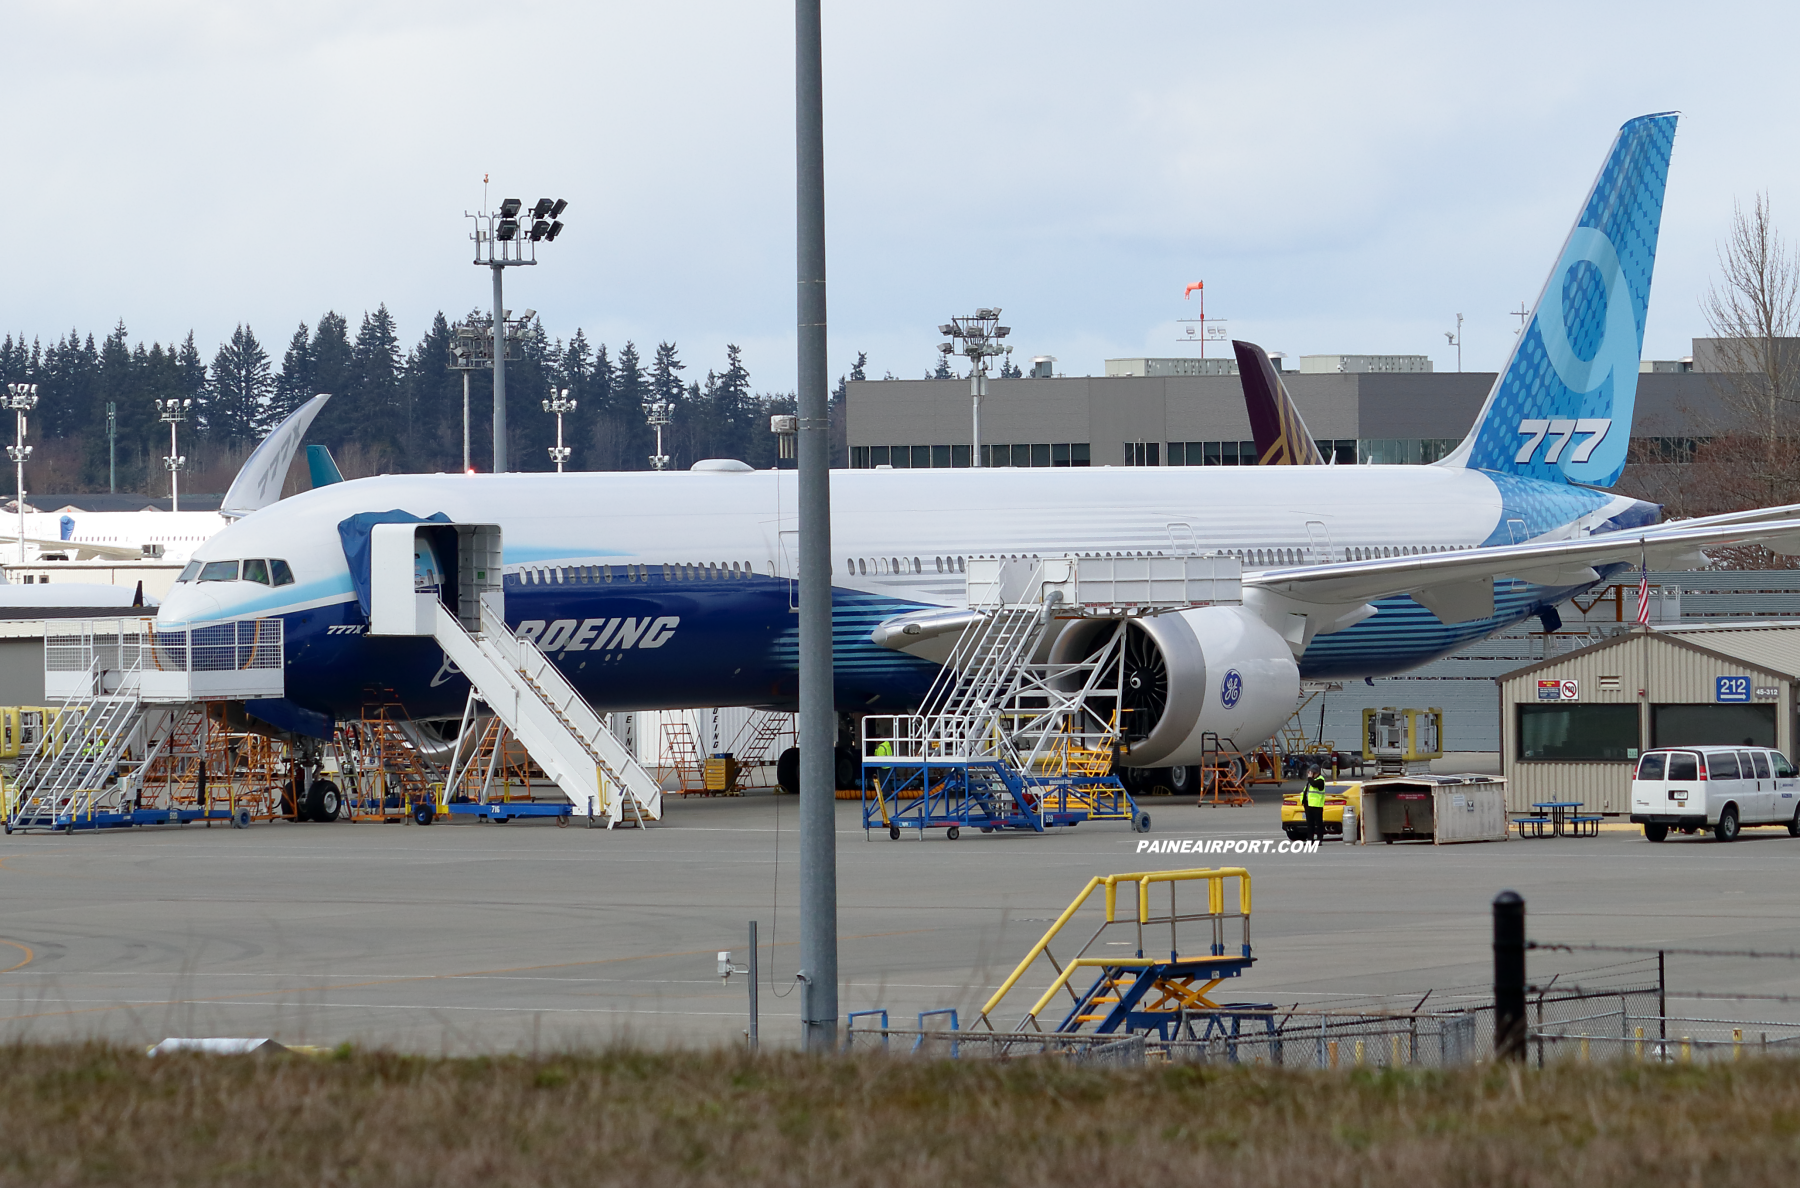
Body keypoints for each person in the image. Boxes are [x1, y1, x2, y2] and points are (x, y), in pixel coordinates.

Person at [1303, 765, 1327, 843]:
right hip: (1309, 805)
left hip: (1317, 805)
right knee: (1310, 823)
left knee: (1318, 823)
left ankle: (1319, 839)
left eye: (1311, 772)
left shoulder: (1320, 780)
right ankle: (1310, 838)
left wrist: (1310, 778)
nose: (1310, 774)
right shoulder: (1310, 781)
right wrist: (1304, 801)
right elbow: (1306, 791)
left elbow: (1315, 785)